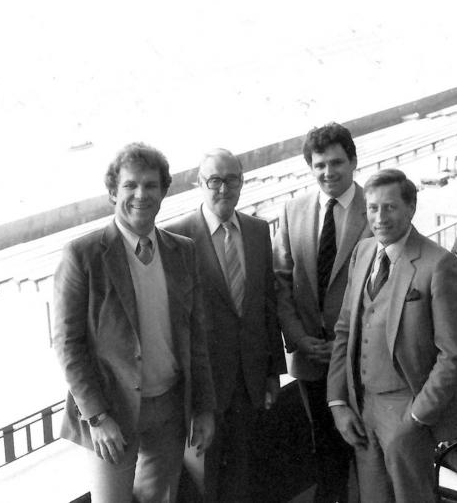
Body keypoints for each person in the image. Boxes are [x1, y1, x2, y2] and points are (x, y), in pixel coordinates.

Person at [53, 142, 216, 503]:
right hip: (111, 415)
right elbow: (68, 345)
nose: (141, 194)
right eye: (130, 185)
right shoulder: (83, 255)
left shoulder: (183, 251)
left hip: (170, 409)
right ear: (113, 192)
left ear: (163, 192)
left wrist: (203, 407)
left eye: (151, 185)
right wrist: (96, 417)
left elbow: (196, 336)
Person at [327, 168, 457, 503]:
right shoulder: (362, 253)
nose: (380, 218)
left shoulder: (438, 265)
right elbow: (345, 329)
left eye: (390, 207)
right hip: (364, 407)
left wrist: (418, 417)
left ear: (411, 208)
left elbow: (454, 354)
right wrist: (338, 403)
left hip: (408, 408)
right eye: (373, 208)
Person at [163, 148, 286, 502]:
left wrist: (272, 371)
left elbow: (267, 305)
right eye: (214, 180)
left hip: (248, 380)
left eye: (232, 180)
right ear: (199, 184)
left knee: (243, 476)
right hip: (204, 386)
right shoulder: (176, 237)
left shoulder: (258, 230)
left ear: (242, 182)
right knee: (206, 481)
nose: (223, 189)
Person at [272, 122, 371, 503]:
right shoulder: (293, 210)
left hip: (361, 358)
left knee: (365, 446)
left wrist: (345, 346)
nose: (328, 172)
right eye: (319, 165)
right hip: (312, 357)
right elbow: (281, 281)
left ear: (353, 161)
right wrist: (299, 339)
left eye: (336, 163)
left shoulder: (375, 208)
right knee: (325, 449)